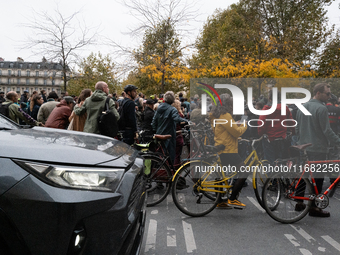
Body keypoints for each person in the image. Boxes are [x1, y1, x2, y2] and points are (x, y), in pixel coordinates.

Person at [296, 83, 340, 217]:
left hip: (303, 146)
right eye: (327, 94)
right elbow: (327, 131)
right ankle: (315, 207)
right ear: (318, 93)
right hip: (318, 147)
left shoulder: (302, 107)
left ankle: (299, 200)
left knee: (305, 174)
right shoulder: (321, 109)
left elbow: (297, 128)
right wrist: (338, 142)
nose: (329, 96)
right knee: (318, 177)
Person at [210, 93, 248, 208]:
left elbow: (219, 129)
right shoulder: (225, 115)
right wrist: (244, 125)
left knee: (220, 175)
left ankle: (219, 201)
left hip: (220, 145)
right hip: (228, 148)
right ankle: (232, 198)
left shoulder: (214, 115)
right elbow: (237, 132)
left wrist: (234, 125)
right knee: (244, 171)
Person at [258, 91, 295, 163]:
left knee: (269, 161)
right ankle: (280, 173)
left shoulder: (266, 108)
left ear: (269, 98)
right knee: (281, 159)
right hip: (282, 138)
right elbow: (291, 122)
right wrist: (293, 132)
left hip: (269, 138)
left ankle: (271, 173)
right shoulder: (285, 108)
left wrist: (260, 133)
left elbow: (261, 123)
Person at [152, 91, 187, 165]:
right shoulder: (172, 109)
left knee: (160, 155)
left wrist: (155, 131)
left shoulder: (159, 108)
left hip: (159, 134)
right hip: (169, 135)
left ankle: (161, 171)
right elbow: (177, 118)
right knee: (171, 156)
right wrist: (187, 121)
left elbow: (153, 123)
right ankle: (170, 173)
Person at [172, 99, 185, 169]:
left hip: (172, 135)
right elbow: (182, 124)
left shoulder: (171, 113)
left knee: (174, 154)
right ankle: (176, 171)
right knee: (177, 154)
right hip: (178, 135)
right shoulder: (179, 115)